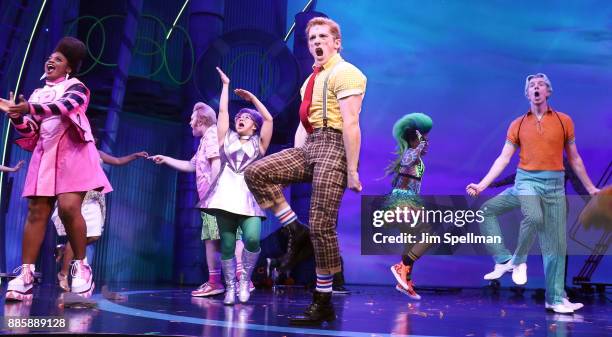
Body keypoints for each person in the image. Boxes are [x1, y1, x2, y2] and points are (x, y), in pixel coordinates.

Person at [244, 17, 366, 325]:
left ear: (336, 43)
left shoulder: (347, 73)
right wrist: (298, 154)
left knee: (322, 226)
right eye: (312, 38)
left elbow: (351, 124)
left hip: (335, 146)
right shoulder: (309, 80)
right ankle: (293, 229)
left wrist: (352, 169)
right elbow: (303, 123)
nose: (316, 42)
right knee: (256, 172)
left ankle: (323, 300)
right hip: (310, 146)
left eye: (323, 37)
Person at [466, 73, 600, 314]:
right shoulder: (517, 124)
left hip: (555, 186)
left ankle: (556, 298)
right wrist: (482, 185)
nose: (536, 88)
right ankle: (511, 261)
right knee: (531, 217)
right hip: (526, 181)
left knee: (556, 246)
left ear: (548, 92)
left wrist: (591, 188)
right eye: (531, 86)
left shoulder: (563, 121)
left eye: (540, 85)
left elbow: (575, 158)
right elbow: (503, 158)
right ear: (527, 94)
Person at [2, 37, 112, 301]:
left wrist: (29, 107)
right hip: (45, 156)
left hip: (73, 154)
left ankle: (81, 267)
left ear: (69, 68)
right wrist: (18, 116)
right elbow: (32, 129)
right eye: (50, 57)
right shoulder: (39, 93)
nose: (51, 60)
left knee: (67, 207)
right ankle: (26, 274)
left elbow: (64, 107)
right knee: (36, 211)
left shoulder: (77, 88)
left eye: (59, 59)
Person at [149, 102, 251, 298]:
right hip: (212, 199)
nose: (189, 122)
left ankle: (243, 278)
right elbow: (191, 165)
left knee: (231, 237)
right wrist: (166, 159)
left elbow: (216, 163)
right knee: (212, 239)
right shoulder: (206, 139)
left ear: (201, 120)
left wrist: (214, 196)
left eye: (192, 118)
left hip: (218, 198)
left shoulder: (212, 134)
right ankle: (215, 282)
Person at [200, 67, 273, 305]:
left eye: (247, 117)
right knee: (228, 244)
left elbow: (269, 119)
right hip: (225, 197)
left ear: (254, 125)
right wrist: (225, 86)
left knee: (252, 239)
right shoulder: (227, 137)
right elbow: (222, 111)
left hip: (249, 197)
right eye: (239, 117)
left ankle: (244, 280)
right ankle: (230, 286)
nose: (240, 119)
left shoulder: (259, 144)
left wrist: (252, 99)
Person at [52, 149, 147, 291]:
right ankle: (63, 274)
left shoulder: (97, 152)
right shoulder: (72, 150)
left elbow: (117, 160)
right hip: (78, 194)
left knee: (94, 235)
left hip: (95, 196)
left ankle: (64, 249)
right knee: (76, 236)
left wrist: (135, 155)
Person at [386, 113, 433, 300]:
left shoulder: (417, 159)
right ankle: (400, 267)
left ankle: (405, 281)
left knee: (411, 241)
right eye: (424, 141)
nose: (427, 144)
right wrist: (420, 141)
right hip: (403, 201)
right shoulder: (409, 155)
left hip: (409, 200)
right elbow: (407, 161)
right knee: (429, 236)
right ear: (414, 141)